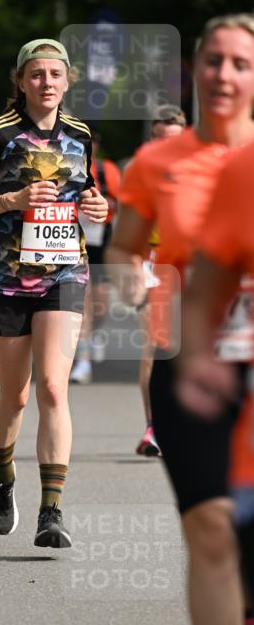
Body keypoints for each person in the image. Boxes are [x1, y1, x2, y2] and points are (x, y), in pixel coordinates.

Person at [106, 13, 254, 625]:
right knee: (208, 525)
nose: (223, 75)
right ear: (194, 70)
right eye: (212, 60)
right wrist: (138, 284)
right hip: (186, 361)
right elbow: (125, 245)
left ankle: (246, 612)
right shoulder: (158, 163)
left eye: (239, 63)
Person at [0, 38, 108, 547]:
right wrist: (13, 199)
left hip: (65, 271)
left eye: (55, 74)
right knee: (15, 396)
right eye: (37, 74)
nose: (46, 83)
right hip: (3, 278)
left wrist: (99, 208)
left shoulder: (82, 133)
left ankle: (52, 511)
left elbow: (90, 191)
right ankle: (2, 473)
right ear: (20, 81)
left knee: (52, 388)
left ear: (68, 81)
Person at [176, 141, 254, 625]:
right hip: (230, 374)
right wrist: (199, 355)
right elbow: (206, 286)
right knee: (216, 523)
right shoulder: (242, 170)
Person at [134, 104, 187, 457]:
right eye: (158, 139)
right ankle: (154, 427)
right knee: (154, 347)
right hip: (155, 260)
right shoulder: (142, 170)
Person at [69, 131, 121, 385]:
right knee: (85, 300)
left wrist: (105, 205)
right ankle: (83, 361)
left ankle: (92, 337)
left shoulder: (107, 170)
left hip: (101, 240)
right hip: (74, 240)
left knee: (102, 302)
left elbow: (123, 203)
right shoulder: (66, 167)